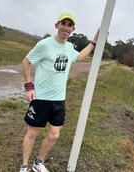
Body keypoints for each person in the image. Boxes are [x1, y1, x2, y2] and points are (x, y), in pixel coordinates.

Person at [19, 12, 99, 172]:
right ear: (57, 25)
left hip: (58, 100)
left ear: (72, 29)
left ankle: (38, 163)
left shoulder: (69, 47)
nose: (66, 28)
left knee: (54, 135)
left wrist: (94, 42)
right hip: (40, 98)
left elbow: (80, 57)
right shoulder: (44, 44)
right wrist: (29, 86)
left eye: (70, 25)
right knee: (32, 133)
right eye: (64, 24)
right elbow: (26, 62)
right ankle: (24, 166)